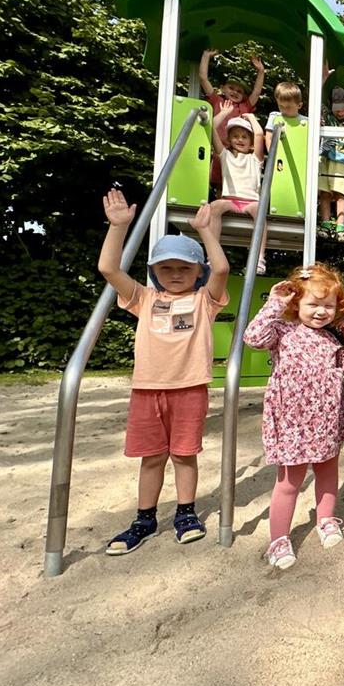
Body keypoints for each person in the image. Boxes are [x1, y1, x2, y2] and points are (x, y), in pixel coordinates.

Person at [98, 189, 229, 555]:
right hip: (147, 389)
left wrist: (206, 232)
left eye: (184, 268)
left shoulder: (205, 301)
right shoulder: (144, 299)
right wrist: (118, 228)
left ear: (197, 272)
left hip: (189, 388)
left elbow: (221, 269)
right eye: (166, 268)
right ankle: (145, 517)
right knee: (152, 455)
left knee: (184, 454)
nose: (174, 274)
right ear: (154, 271)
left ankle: (186, 513)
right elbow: (109, 268)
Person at [243, 264, 344, 569]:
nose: (321, 312)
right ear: (297, 304)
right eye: (313, 304)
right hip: (293, 421)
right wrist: (275, 303)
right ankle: (279, 539)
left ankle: (326, 519)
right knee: (289, 480)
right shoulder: (283, 330)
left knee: (328, 471)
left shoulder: (332, 340)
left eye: (328, 306)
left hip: (327, 418)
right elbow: (252, 337)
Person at [208, 106, 268, 274]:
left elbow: (258, 134)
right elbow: (211, 128)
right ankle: (213, 256)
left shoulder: (255, 159)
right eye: (235, 136)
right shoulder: (225, 156)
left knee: (260, 211)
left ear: (250, 144)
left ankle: (259, 258)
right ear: (229, 140)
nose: (239, 140)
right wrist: (225, 113)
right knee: (214, 207)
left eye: (244, 137)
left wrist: (251, 117)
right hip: (230, 199)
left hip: (250, 201)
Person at [198, 49, 264, 193]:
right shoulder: (217, 100)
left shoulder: (245, 106)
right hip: (219, 150)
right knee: (220, 186)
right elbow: (203, 78)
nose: (235, 92)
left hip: (239, 153)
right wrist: (206, 56)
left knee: (237, 184)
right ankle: (220, 206)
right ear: (223, 88)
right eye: (231, 88)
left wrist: (261, 71)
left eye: (239, 91)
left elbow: (257, 92)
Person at [317, 88, 344, 242]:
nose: (340, 113)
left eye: (343, 109)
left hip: (341, 159)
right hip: (324, 158)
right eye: (337, 109)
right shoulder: (327, 117)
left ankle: (340, 227)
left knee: (340, 194)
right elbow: (314, 96)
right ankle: (326, 224)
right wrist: (322, 82)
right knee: (325, 193)